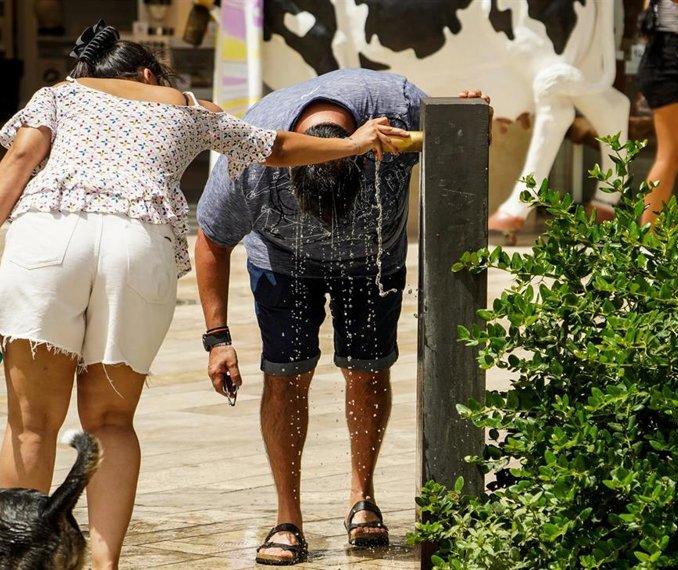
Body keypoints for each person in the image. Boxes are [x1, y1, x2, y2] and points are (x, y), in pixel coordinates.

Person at [0, 22, 404, 569]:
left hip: (50, 237)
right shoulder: (188, 106)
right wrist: (353, 143)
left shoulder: (57, 95)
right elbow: (276, 147)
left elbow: (20, 159)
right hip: (138, 246)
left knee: (31, 424)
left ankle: (23, 560)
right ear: (148, 73)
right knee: (110, 422)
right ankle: (103, 563)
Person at [195, 68, 490, 565]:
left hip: (373, 259)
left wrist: (471, 118)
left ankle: (362, 496)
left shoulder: (400, 107)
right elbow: (212, 240)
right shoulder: (252, 149)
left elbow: (462, 145)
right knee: (285, 376)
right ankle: (287, 517)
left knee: (368, 370)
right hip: (282, 261)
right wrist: (217, 338)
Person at [638, 0, 678, 225]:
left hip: (662, 60)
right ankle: (646, 238)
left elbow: (646, 29)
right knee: (671, 156)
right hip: (675, 65)